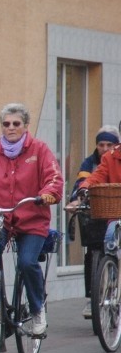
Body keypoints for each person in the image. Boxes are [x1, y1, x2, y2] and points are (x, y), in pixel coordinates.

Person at [0, 102, 63, 337]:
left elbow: (54, 177)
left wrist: (48, 193)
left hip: (32, 218)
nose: (11, 128)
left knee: (27, 262)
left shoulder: (39, 150)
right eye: (6, 124)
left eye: (16, 124)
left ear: (25, 126)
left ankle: (37, 310)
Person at [67, 126, 120, 318]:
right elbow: (94, 177)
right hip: (112, 212)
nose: (105, 148)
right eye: (101, 144)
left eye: (109, 144)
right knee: (107, 241)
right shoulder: (108, 159)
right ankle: (106, 281)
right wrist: (82, 191)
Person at [73, 134, 121, 257]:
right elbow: (97, 176)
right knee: (111, 236)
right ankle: (111, 272)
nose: (105, 148)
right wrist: (84, 187)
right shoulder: (110, 157)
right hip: (116, 212)